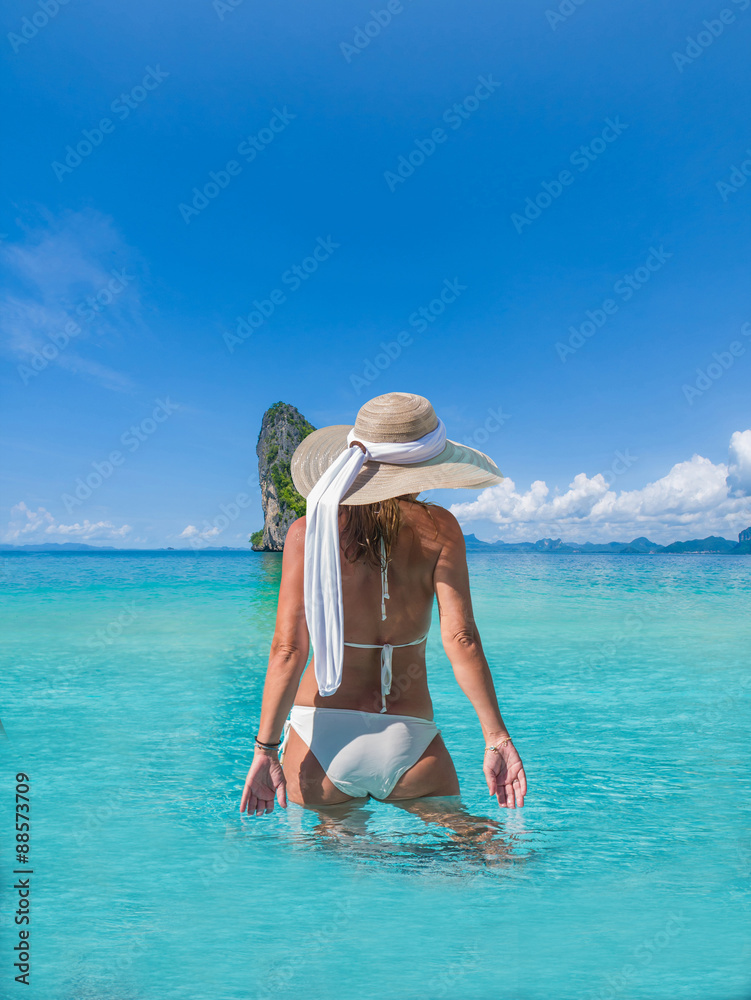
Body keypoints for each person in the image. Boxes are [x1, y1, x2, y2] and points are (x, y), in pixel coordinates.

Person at [240, 391, 526, 817]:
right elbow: (460, 637)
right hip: (410, 740)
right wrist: (497, 737)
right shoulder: (440, 528)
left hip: (320, 743)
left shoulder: (305, 533)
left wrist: (265, 750)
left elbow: (288, 649)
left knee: (338, 867)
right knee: (475, 852)